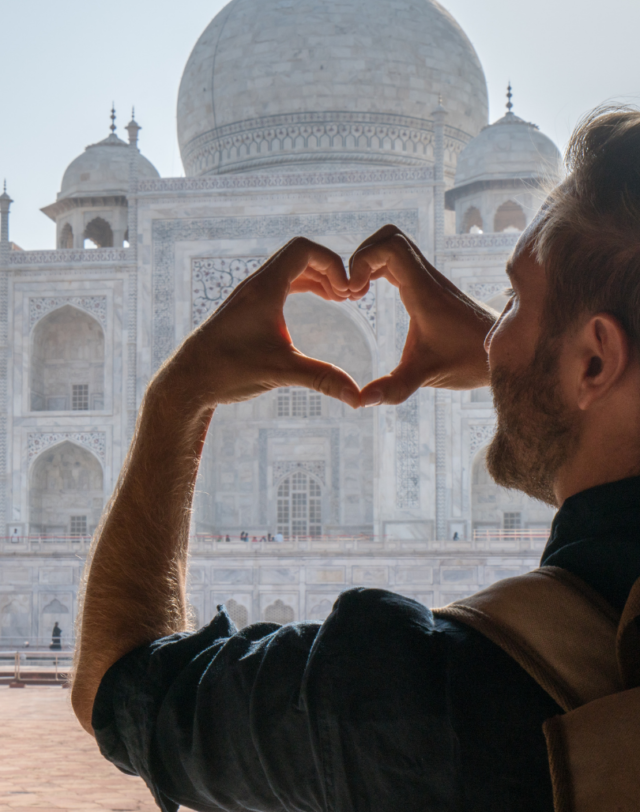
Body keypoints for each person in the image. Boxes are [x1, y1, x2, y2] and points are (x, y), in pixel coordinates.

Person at [72, 107, 640, 811]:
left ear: (596, 358)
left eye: (514, 301)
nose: (492, 334)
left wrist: (177, 397)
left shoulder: (433, 706)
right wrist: (534, 362)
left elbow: (118, 685)